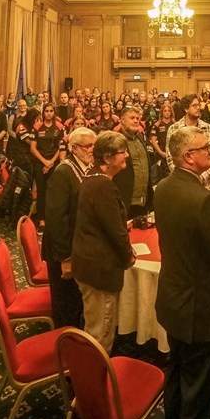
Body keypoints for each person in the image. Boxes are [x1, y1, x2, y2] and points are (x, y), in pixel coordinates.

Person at [154, 126, 210, 419]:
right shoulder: (205, 200)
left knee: (176, 376)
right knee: (200, 393)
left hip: (172, 303)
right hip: (199, 310)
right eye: (205, 148)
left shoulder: (163, 187)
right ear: (189, 157)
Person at [71, 131, 135, 352]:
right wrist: (128, 256)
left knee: (97, 327)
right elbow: (114, 229)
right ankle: (93, 383)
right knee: (100, 334)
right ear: (107, 158)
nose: (126, 155)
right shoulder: (102, 185)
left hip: (89, 264)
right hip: (98, 270)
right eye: (122, 152)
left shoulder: (93, 177)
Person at [42, 127, 95, 328]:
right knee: (65, 305)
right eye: (87, 146)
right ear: (74, 148)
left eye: (93, 145)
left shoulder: (85, 167)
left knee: (76, 301)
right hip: (62, 251)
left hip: (76, 246)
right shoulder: (63, 172)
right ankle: (64, 345)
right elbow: (56, 219)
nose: (92, 150)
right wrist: (65, 258)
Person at [167, 95, 210, 192]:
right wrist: (187, 178)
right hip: (182, 184)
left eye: (199, 105)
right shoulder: (174, 129)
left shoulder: (208, 128)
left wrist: (199, 178)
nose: (198, 108)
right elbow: (171, 159)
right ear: (186, 109)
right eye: (194, 105)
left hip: (207, 184)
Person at [115, 106, 154, 218]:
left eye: (137, 118)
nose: (136, 121)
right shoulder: (116, 141)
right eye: (132, 118)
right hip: (125, 202)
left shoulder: (141, 138)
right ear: (122, 120)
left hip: (144, 201)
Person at [29, 103, 66, 221]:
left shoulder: (60, 127)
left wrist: (50, 162)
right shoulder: (37, 126)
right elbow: (32, 148)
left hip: (53, 163)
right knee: (41, 191)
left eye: (51, 111)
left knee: (54, 192)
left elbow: (60, 147)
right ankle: (41, 220)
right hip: (40, 163)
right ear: (43, 113)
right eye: (47, 111)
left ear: (54, 113)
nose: (49, 113)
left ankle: (52, 218)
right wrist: (44, 161)